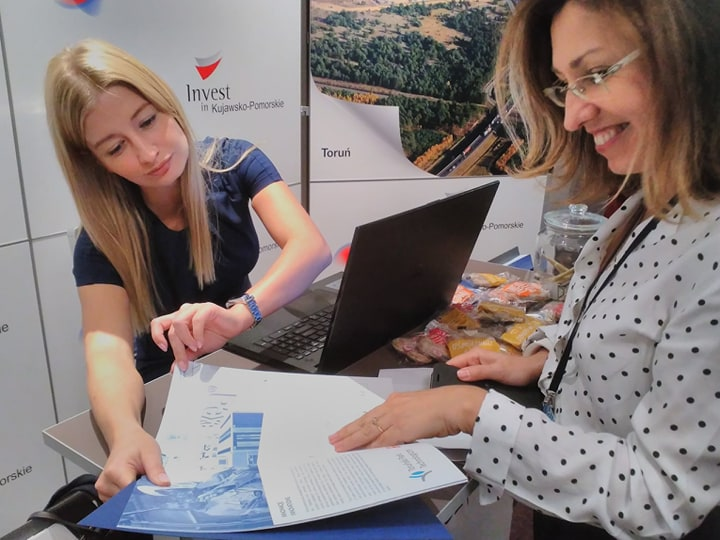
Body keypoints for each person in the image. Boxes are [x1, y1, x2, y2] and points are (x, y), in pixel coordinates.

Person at [330, 1, 720, 538]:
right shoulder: (658, 199)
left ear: (691, 54)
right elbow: (631, 338)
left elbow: (661, 498)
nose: (573, 117)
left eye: (595, 74)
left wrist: (471, 411)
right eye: (566, 86)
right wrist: (546, 362)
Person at [44, 39, 331, 501]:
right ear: (95, 162)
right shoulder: (100, 239)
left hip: (247, 351)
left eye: (147, 121)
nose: (147, 153)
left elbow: (310, 248)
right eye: (116, 147)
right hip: (168, 385)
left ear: (166, 102)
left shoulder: (235, 162)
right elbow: (108, 351)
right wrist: (124, 433)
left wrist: (239, 315)